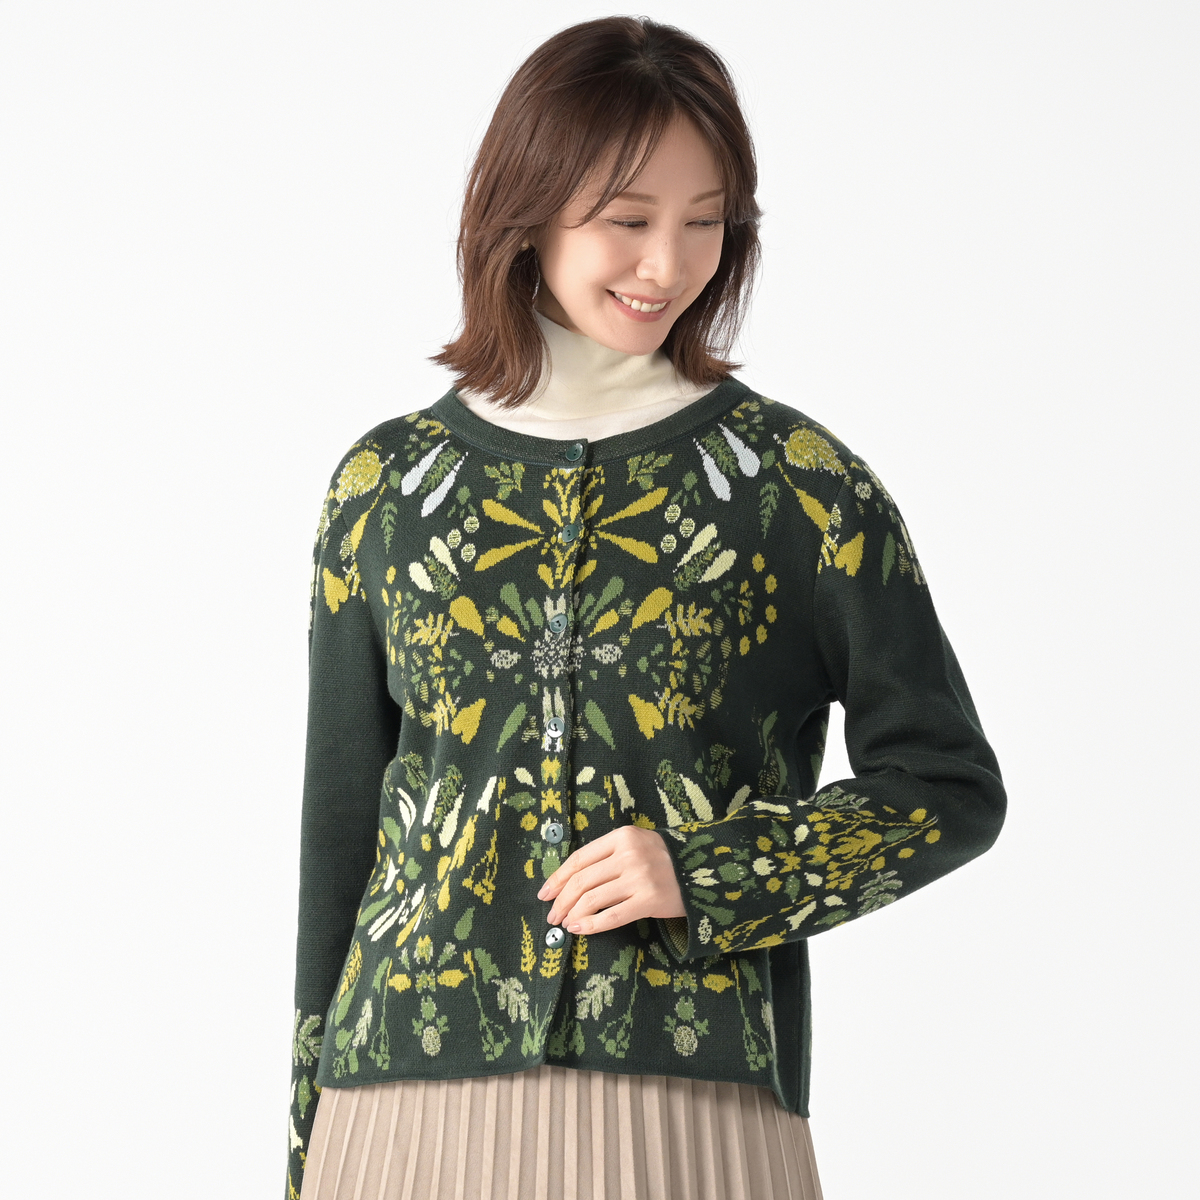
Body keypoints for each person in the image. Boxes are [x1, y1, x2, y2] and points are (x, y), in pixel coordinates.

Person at [286, 16, 1006, 1200]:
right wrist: (302, 1147)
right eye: (627, 219)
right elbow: (341, 840)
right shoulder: (389, 491)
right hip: (396, 1111)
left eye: (705, 222)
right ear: (525, 212)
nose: (668, 265)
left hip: (689, 1111)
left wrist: (712, 873)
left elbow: (948, 785)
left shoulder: (795, 488)